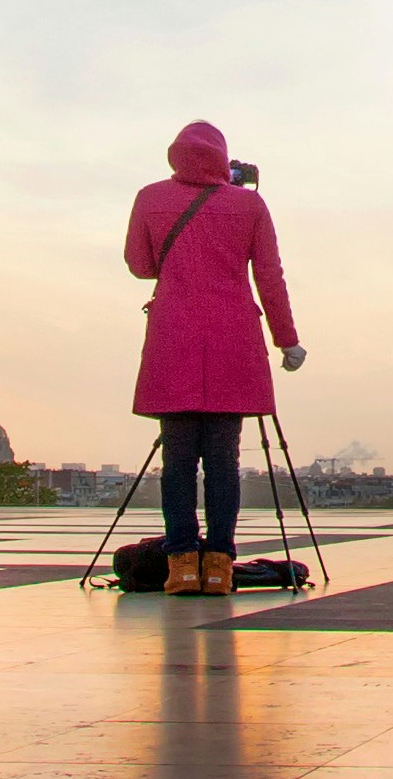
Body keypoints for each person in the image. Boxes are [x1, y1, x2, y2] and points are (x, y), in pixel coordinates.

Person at [126, 120, 303, 597]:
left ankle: (182, 565)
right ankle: (221, 566)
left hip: (174, 338)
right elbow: (271, 277)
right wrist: (287, 340)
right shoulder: (249, 204)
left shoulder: (149, 197)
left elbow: (141, 266)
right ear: (225, 161)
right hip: (233, 340)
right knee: (223, 459)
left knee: (178, 458)